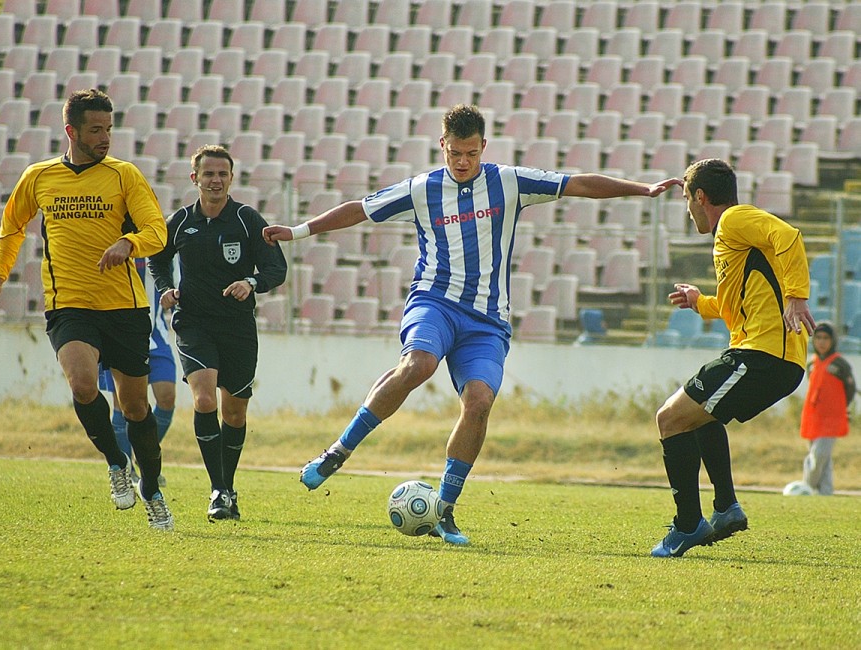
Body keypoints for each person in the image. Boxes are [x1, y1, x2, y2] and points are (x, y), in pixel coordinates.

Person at [263, 104, 679, 545]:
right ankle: (337, 452)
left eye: (471, 153)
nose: (462, 162)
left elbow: (576, 183)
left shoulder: (509, 181)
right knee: (418, 366)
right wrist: (298, 232)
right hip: (434, 301)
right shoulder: (422, 189)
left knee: (479, 401)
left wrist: (643, 189)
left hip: (487, 321)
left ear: (484, 147)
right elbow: (360, 210)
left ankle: (444, 511)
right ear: (442, 146)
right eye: (454, 152)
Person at [0, 89, 173, 530]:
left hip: (125, 307)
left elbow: (156, 231)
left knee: (136, 408)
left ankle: (153, 488)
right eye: (96, 130)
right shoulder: (40, 177)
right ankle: (116, 462)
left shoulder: (124, 175)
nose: (105, 138)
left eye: (109, 129)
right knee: (84, 386)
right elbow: (12, 228)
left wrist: (129, 242)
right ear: (72, 131)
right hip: (69, 305)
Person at [652, 158, 815, 558]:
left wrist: (797, 295)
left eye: (688, 199)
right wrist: (700, 302)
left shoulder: (734, 220)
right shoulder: (732, 238)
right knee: (700, 416)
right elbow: (737, 305)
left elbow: (789, 236)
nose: (688, 209)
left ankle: (688, 525)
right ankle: (725, 508)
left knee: (669, 419)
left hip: (763, 354)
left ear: (701, 197)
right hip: (766, 354)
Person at [148, 145, 287, 522]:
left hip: (239, 327)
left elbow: (276, 268)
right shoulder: (180, 222)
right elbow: (157, 258)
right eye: (208, 174)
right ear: (195, 178)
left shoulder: (246, 220)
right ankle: (219, 489)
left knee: (235, 412)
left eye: (222, 174)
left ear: (231, 177)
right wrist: (165, 287)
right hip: (194, 324)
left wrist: (251, 281)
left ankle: (227, 486)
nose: (215, 180)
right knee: (205, 400)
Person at [98, 257, 177, 487]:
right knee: (120, 405)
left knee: (167, 399)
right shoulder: (111, 240)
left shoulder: (152, 241)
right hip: (120, 333)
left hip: (155, 333)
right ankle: (126, 468)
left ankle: (144, 457)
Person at [796, 322, 855, 495]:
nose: (822, 342)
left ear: (833, 340)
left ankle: (806, 487)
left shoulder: (839, 364)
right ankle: (825, 493)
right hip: (814, 416)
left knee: (818, 456)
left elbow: (849, 389)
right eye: (818, 338)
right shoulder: (811, 364)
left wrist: (841, 408)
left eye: (826, 338)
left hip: (832, 419)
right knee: (824, 460)